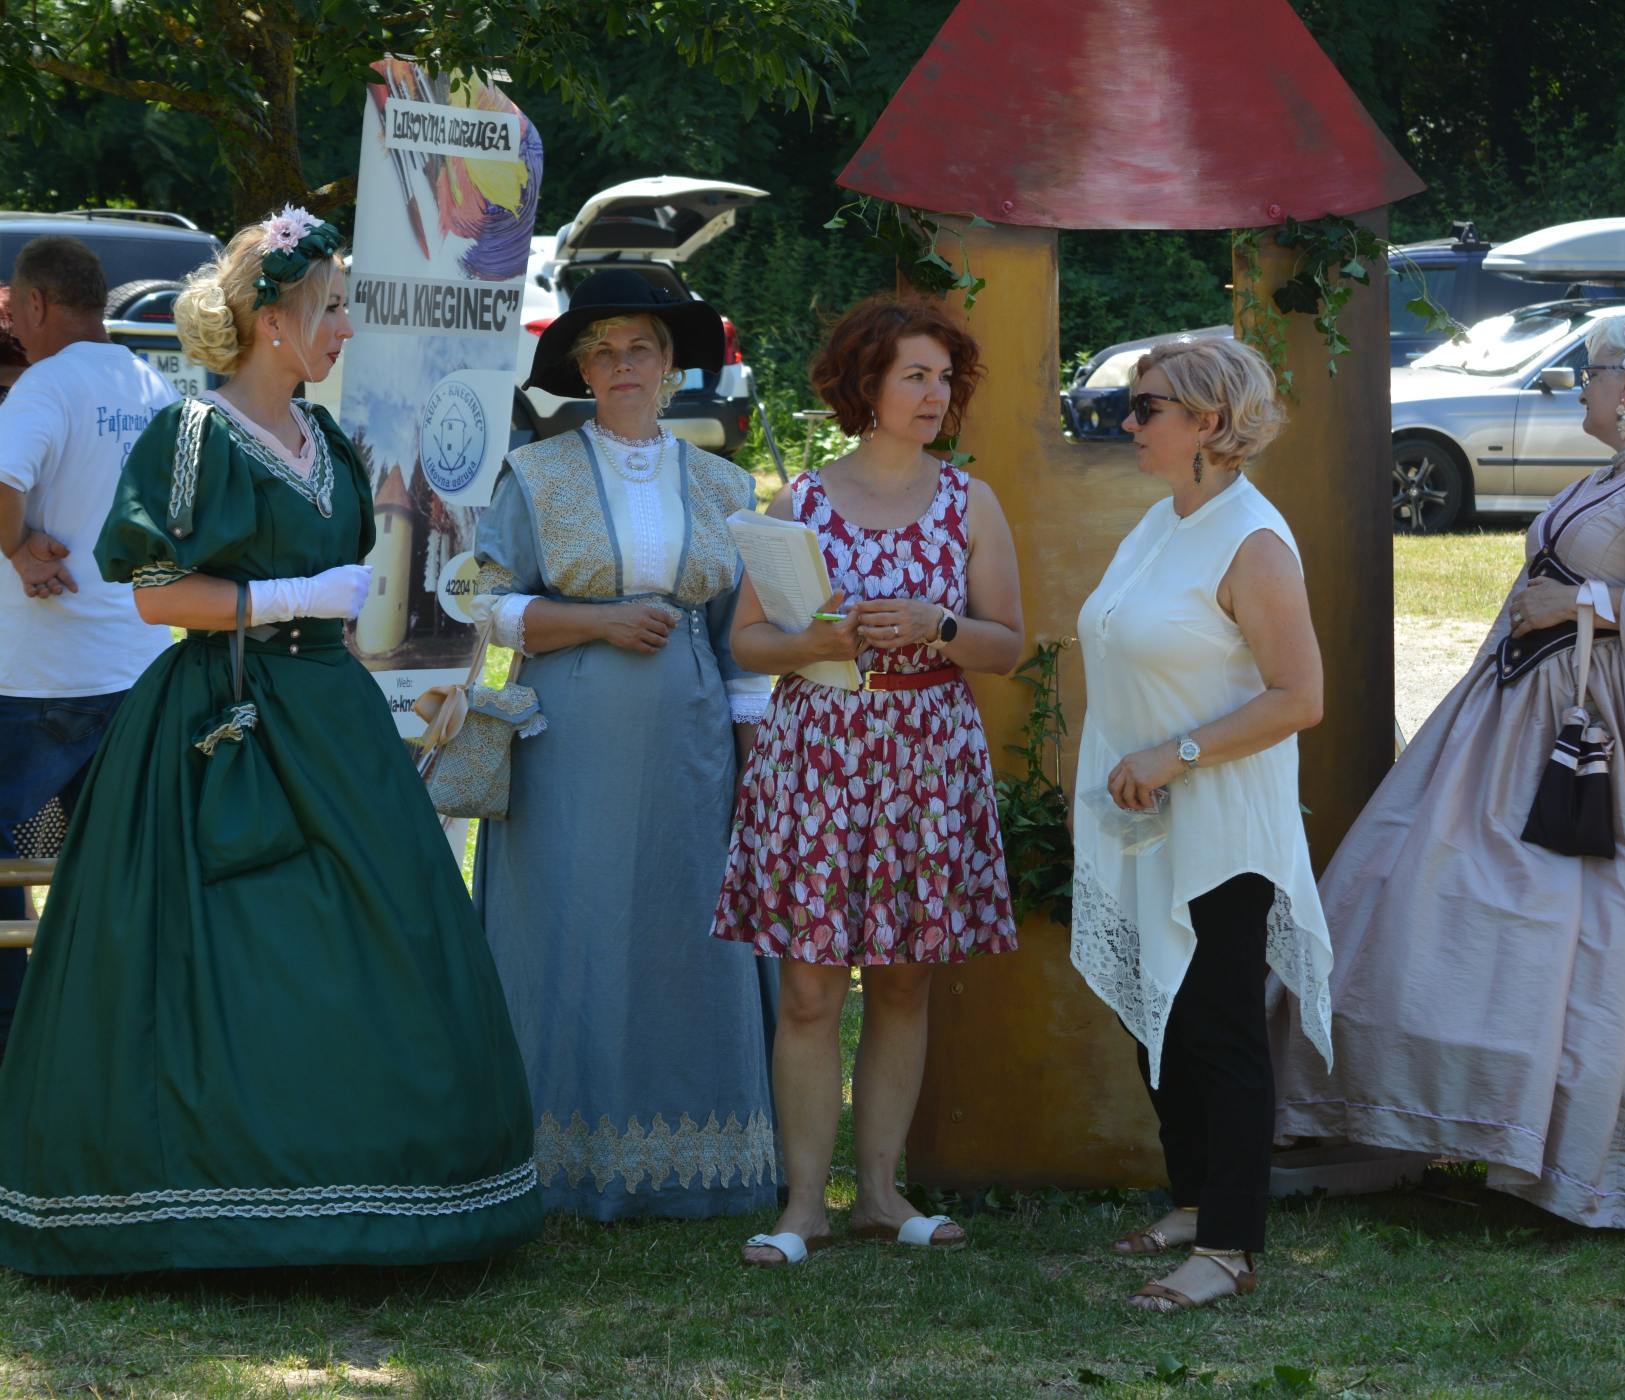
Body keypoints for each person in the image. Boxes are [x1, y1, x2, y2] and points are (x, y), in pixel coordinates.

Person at [0, 208, 542, 1275]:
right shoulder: (191, 436)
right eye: (328, 307)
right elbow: (157, 595)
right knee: (227, 938)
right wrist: (290, 594)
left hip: (329, 712)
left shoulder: (325, 441)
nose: (345, 326)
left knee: (374, 929)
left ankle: (381, 1182)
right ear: (271, 320)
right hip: (224, 712)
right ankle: (204, 1200)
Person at [1272, 316, 1625, 1231]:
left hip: (1602, 740)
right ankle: (1433, 1108)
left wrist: (1585, 600)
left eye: (1592, 374)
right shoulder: (1616, 475)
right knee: (1432, 882)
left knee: (1590, 927)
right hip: (1514, 719)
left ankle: (1582, 1150)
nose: (1581, 388)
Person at [715, 294, 1023, 1266]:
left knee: (902, 983)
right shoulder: (799, 503)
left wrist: (939, 623)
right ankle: (804, 1206)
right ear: (866, 385)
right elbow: (747, 642)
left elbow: (1008, 645)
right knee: (809, 991)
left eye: (944, 377)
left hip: (926, 758)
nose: (935, 394)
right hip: (817, 755)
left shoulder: (970, 501)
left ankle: (881, 1196)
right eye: (914, 376)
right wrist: (817, 641)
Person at [472, 268, 780, 1219]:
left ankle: (696, 1158)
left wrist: (755, 757)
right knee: (576, 920)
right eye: (601, 351)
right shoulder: (536, 474)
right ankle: (559, 1158)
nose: (621, 365)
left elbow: (742, 639)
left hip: (692, 744)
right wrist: (596, 622)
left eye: (639, 347)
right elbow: (484, 603)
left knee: (685, 925)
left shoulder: (726, 485)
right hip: (566, 738)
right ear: (580, 368)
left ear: (671, 360)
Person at [1070, 337, 1330, 1311]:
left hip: (1219, 819)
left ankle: (1227, 1245)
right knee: (1156, 1016)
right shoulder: (1162, 519)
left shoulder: (1252, 541)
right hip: (1142, 815)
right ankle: (1191, 1199)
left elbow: (1300, 695)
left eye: (1147, 407)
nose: (1127, 421)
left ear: (1209, 423)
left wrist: (1173, 755)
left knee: (1217, 1025)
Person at [0, 237, 176, 1068]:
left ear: (37, 304)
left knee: (15, 866)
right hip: (135, 671)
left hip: (32, 679)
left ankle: (14, 1035)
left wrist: (18, 546)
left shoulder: (46, 384)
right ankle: (109, 1040)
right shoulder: (154, 387)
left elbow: (3, 477)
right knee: (113, 868)